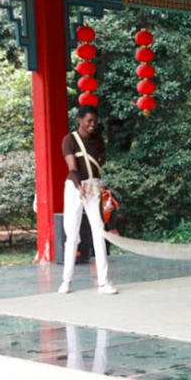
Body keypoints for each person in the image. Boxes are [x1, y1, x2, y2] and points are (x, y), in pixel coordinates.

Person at [58, 106, 117, 294]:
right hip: (74, 188)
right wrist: (79, 187)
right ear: (80, 120)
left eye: (95, 121)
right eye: (89, 121)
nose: (92, 124)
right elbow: (72, 169)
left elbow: (99, 166)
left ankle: (103, 283)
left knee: (99, 231)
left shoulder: (99, 140)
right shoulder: (69, 140)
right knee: (72, 235)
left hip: (93, 187)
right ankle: (66, 281)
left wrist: (101, 188)